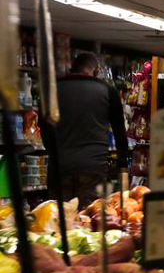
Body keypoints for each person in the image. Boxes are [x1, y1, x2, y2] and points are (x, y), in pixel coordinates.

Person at [44, 52, 128, 206]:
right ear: (95, 71)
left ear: (72, 68)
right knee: (89, 217)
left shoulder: (53, 89)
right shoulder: (108, 90)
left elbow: (44, 127)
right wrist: (122, 163)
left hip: (60, 166)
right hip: (93, 167)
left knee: (57, 217)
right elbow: (119, 131)